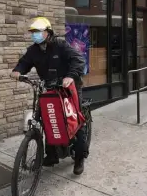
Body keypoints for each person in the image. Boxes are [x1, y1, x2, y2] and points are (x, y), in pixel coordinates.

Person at [10, 17, 89, 175]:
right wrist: (18, 71)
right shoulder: (33, 50)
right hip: (49, 87)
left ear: (48, 32)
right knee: (47, 118)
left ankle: (80, 157)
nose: (35, 35)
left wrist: (70, 76)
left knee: (74, 120)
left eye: (37, 32)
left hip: (69, 87)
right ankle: (51, 155)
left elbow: (78, 60)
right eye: (33, 32)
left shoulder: (60, 45)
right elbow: (25, 62)